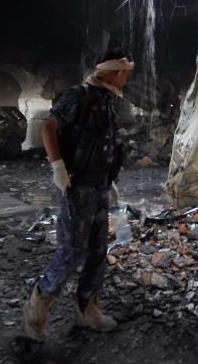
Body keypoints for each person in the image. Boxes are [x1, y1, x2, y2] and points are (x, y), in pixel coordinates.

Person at [23, 48, 134, 341]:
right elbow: (49, 127)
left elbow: (104, 145)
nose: (127, 77)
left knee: (98, 252)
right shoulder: (79, 96)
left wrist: (109, 181)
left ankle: (88, 311)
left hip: (98, 187)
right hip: (77, 187)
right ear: (113, 72)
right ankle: (37, 309)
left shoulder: (106, 100)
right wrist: (58, 166)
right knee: (72, 251)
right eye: (125, 72)